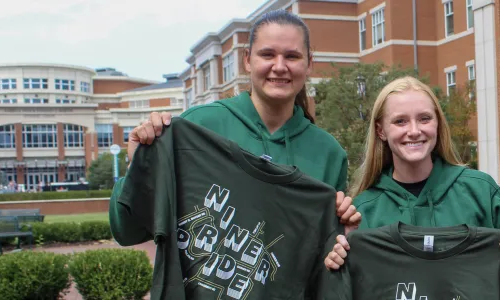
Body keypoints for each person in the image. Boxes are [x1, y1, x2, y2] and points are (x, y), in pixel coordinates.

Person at [109, 10, 360, 246]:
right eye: (268, 54)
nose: (280, 66)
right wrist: (138, 165)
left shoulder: (328, 153)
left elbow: (326, 250)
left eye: (292, 56)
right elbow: (128, 231)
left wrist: (344, 231)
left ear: (309, 64)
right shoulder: (199, 125)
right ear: (248, 60)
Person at [322, 76, 500, 270]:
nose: (414, 130)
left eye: (424, 118)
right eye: (400, 121)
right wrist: (339, 261)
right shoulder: (362, 212)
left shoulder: (481, 191)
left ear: (438, 124)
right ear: (381, 131)